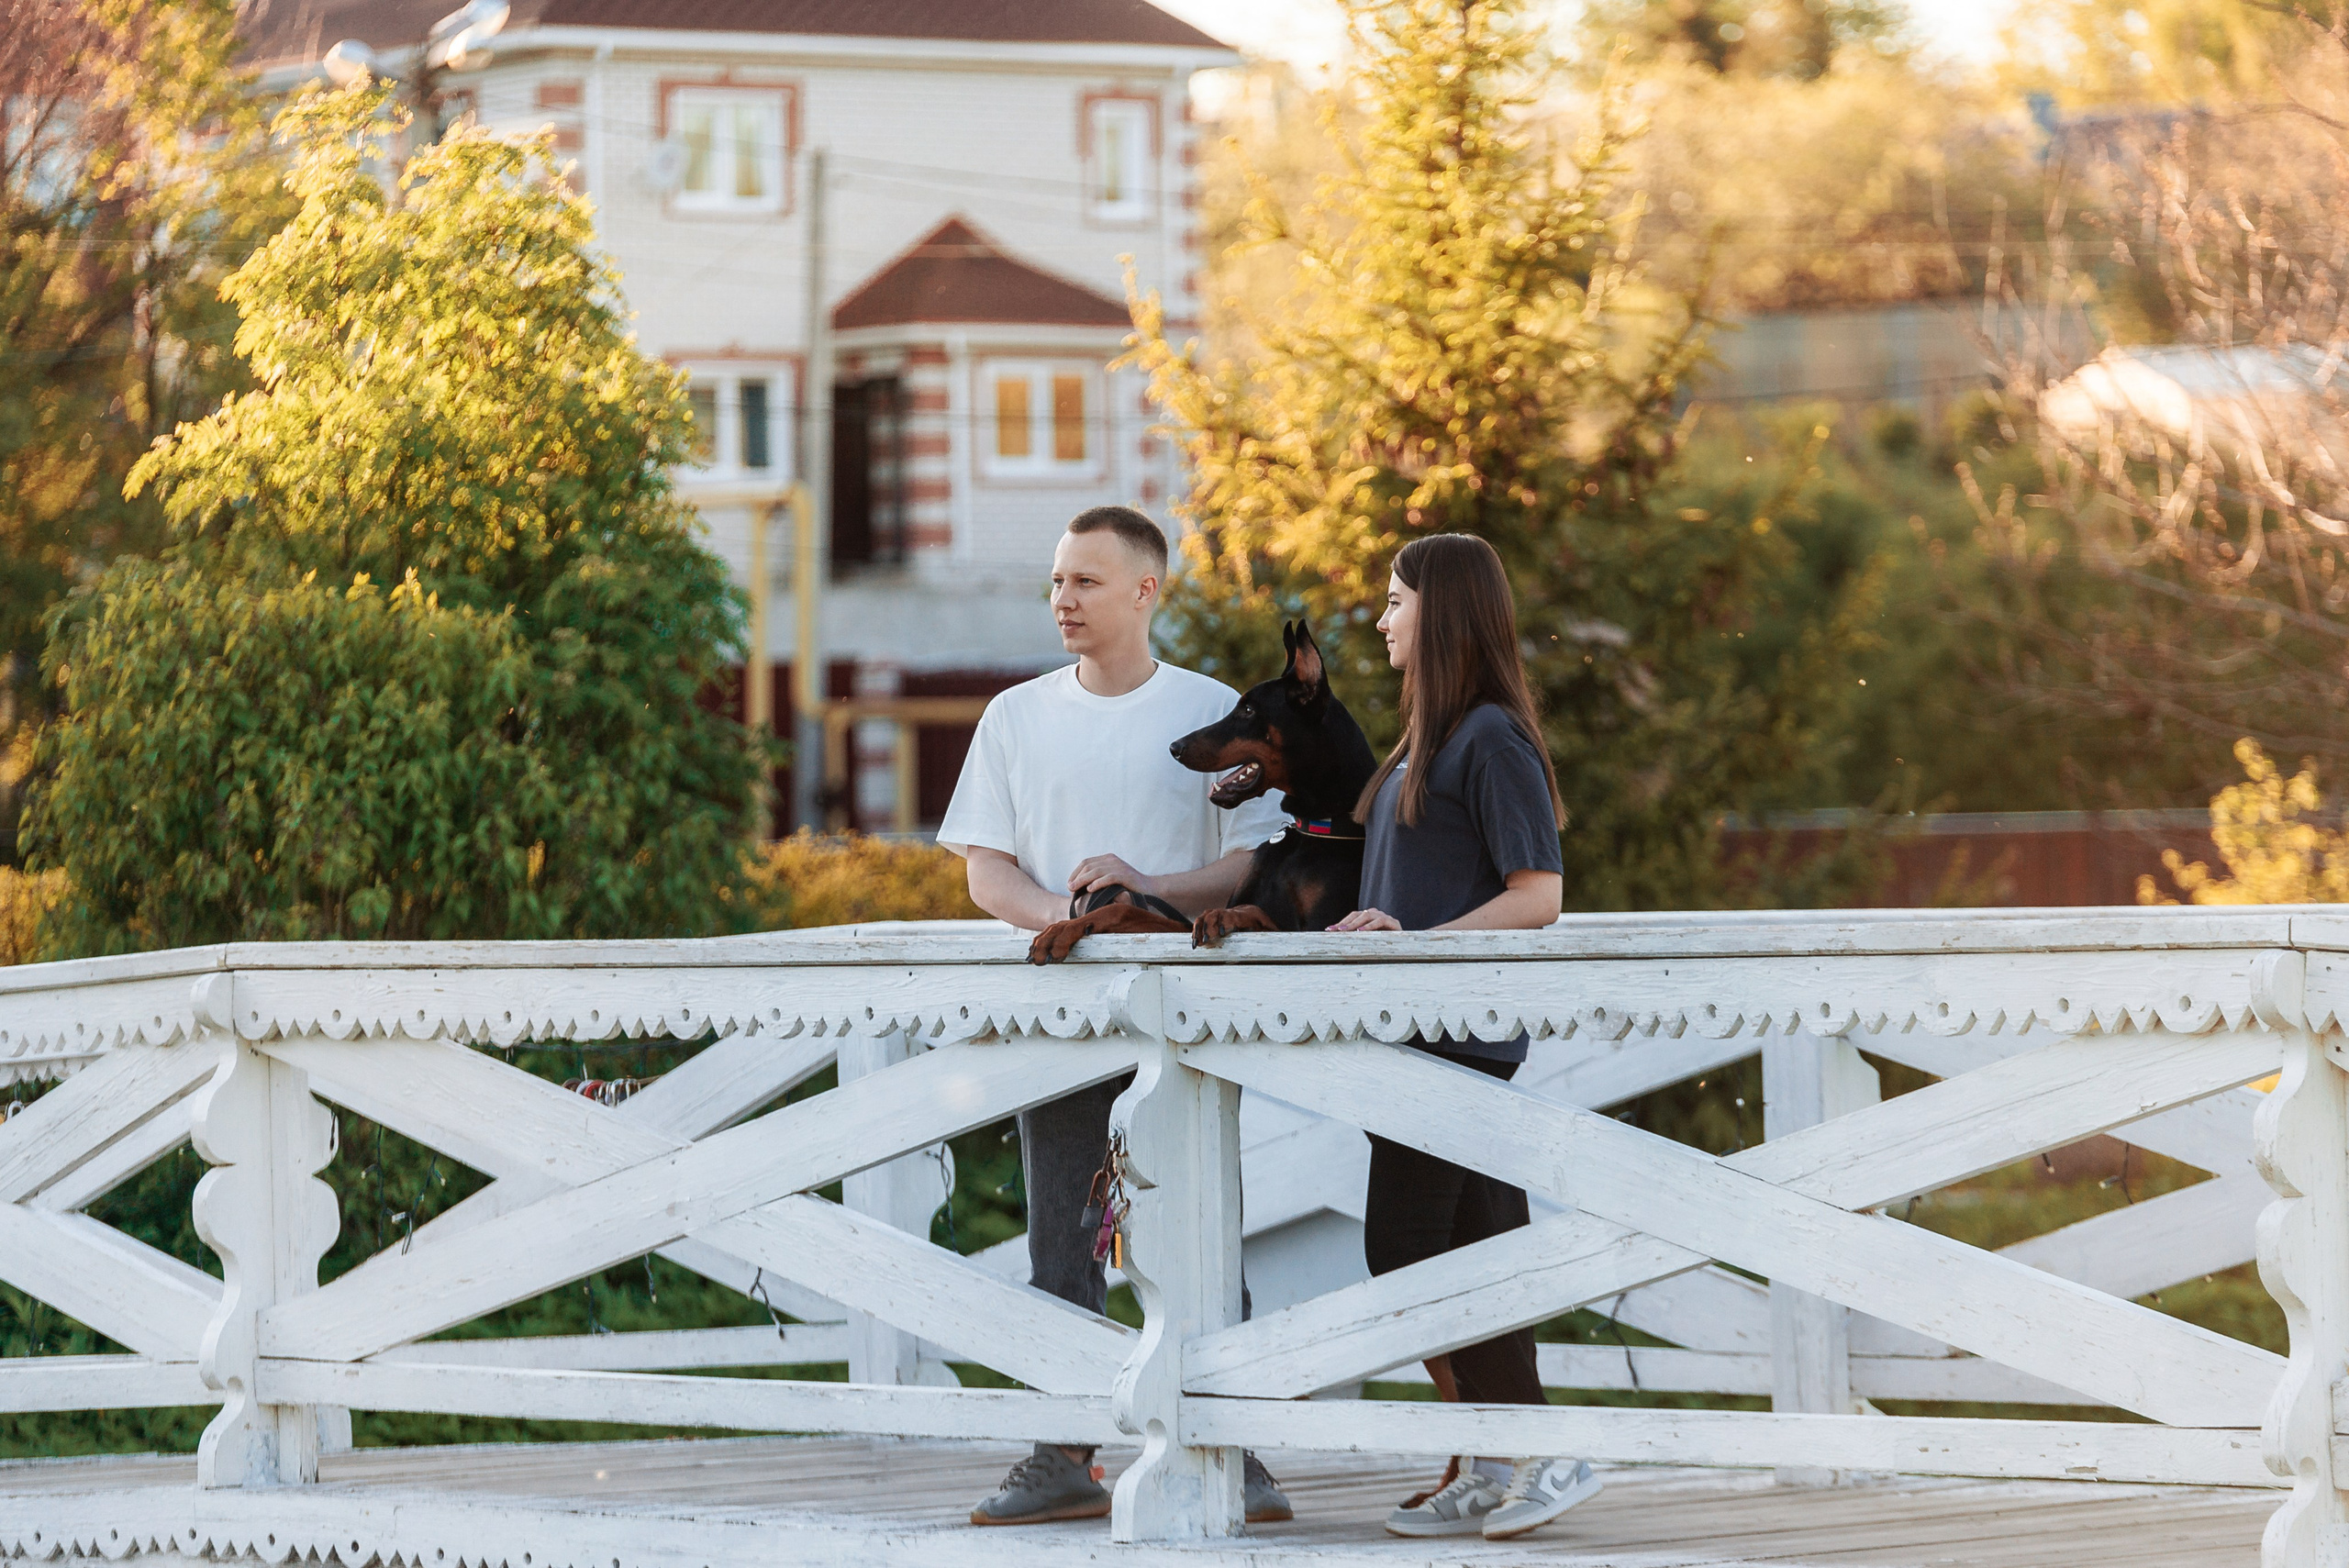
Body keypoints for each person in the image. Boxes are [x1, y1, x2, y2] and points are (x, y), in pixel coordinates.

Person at [937, 505, 1294, 1529]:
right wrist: (1065, 916)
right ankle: (1057, 1452)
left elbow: (1254, 858)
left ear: (1146, 590)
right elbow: (983, 868)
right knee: (1064, 1230)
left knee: (1196, 1230)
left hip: (1183, 1019)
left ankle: (1239, 1454)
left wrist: (1146, 888)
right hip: (1058, 1015)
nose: (1062, 600)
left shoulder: (1211, 708)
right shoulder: (1015, 714)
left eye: (1086, 582)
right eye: (1056, 581)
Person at [1326, 533, 1598, 1542]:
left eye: (1394, 601)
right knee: (1473, 1251)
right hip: (1415, 1040)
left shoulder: (1490, 739)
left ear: (1438, 614)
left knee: (1404, 1248)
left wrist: (1417, 946)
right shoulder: (1426, 741)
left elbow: (1538, 895)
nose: (1382, 618)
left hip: (1458, 1041)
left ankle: (1537, 1449)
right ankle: (1497, 1458)